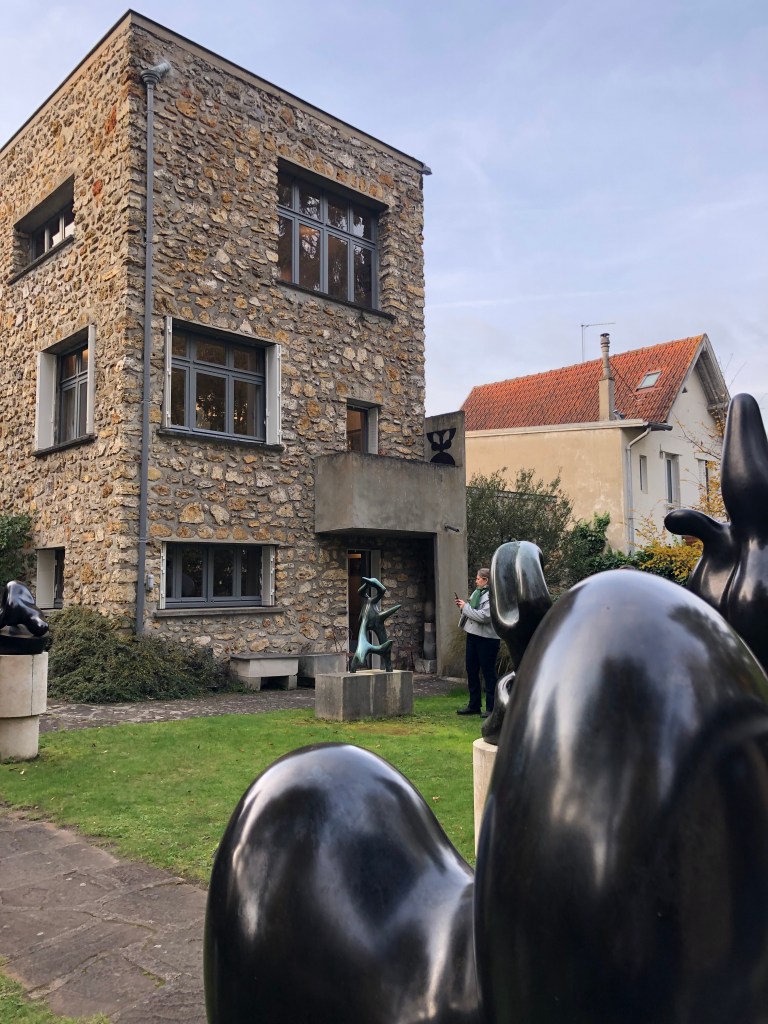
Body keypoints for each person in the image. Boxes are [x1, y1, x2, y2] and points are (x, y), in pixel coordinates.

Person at [455, 568, 500, 717]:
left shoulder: (493, 595)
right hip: (473, 635)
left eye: (478, 578)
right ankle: (474, 705)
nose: (476, 581)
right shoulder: (477, 593)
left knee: (488, 672)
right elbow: (471, 611)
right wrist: (463, 607)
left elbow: (484, 617)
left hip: (488, 639)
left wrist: (465, 607)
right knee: (471, 670)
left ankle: (492, 707)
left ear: (486, 580)